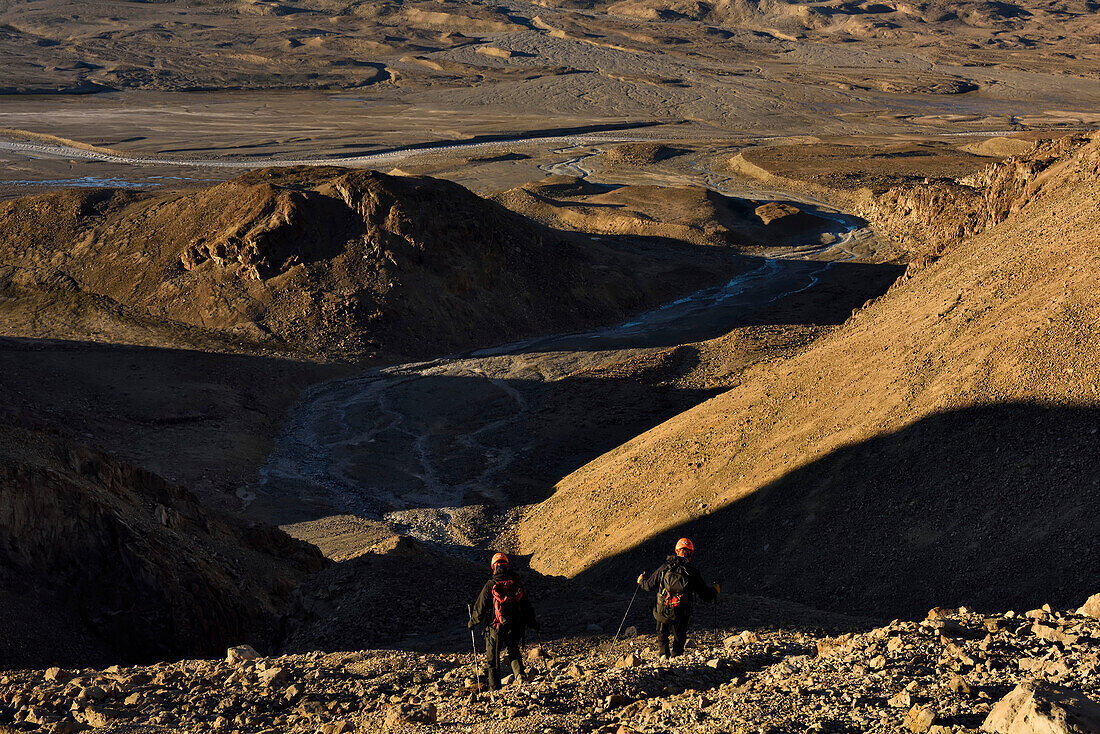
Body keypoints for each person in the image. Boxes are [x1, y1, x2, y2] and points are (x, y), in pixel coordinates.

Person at [637, 537, 719, 660]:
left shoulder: (665, 567)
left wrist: (641, 581)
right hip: (682, 610)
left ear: (677, 551)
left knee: (662, 630)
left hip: (663, 608)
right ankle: (677, 656)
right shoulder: (692, 571)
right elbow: (705, 595)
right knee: (680, 634)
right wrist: (714, 590)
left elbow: (649, 586)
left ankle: (663, 654)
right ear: (690, 553)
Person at [469, 552, 540, 690]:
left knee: (493, 658)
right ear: (506, 565)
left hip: (495, 627)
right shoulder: (515, 583)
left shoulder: (490, 585)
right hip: (514, 625)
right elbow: (526, 606)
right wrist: (533, 624)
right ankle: (520, 676)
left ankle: (494, 688)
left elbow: (480, 607)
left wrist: (472, 623)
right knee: (513, 650)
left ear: (493, 567)